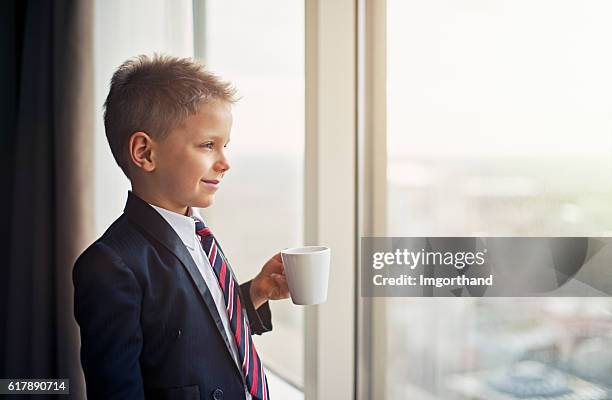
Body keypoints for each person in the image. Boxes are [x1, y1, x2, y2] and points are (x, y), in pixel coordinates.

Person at [73, 54, 290, 400]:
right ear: (144, 152)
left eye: (225, 145)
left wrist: (255, 293)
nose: (225, 162)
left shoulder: (199, 235)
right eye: (208, 145)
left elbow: (203, 331)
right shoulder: (111, 265)